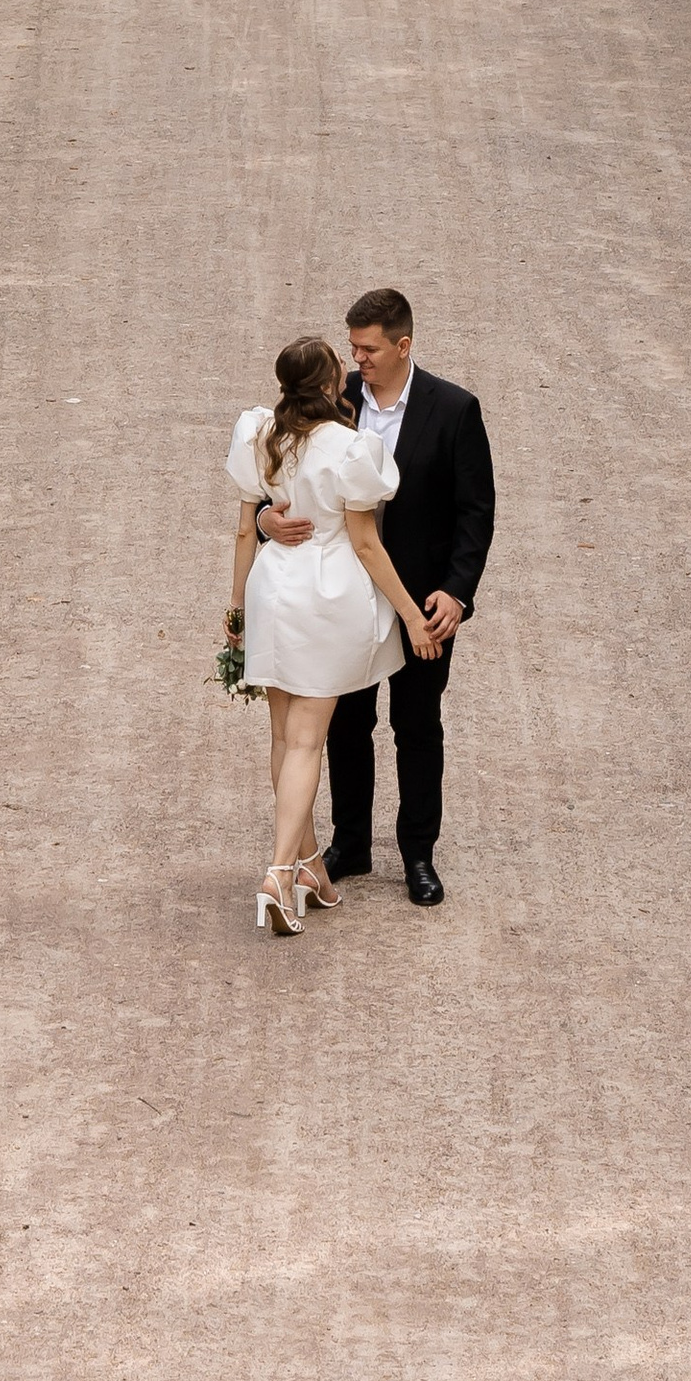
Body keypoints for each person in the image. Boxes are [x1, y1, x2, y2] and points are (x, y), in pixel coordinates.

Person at [250, 288, 494, 906]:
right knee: (345, 727)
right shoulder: (330, 401)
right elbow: (275, 483)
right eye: (352, 347)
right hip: (340, 603)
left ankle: (417, 854)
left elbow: (475, 515)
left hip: (421, 600)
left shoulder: (455, 410)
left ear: (403, 345)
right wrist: (265, 525)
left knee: (417, 725)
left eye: (368, 348)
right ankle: (349, 842)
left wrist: (456, 594)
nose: (356, 358)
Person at [226, 338, 444, 935]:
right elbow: (367, 543)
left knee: (283, 738)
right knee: (305, 744)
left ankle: (311, 864)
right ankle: (279, 873)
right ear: (329, 386)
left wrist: (237, 605)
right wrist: (408, 614)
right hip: (327, 598)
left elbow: (247, 532)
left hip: (274, 590)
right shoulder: (351, 448)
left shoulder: (260, 434)